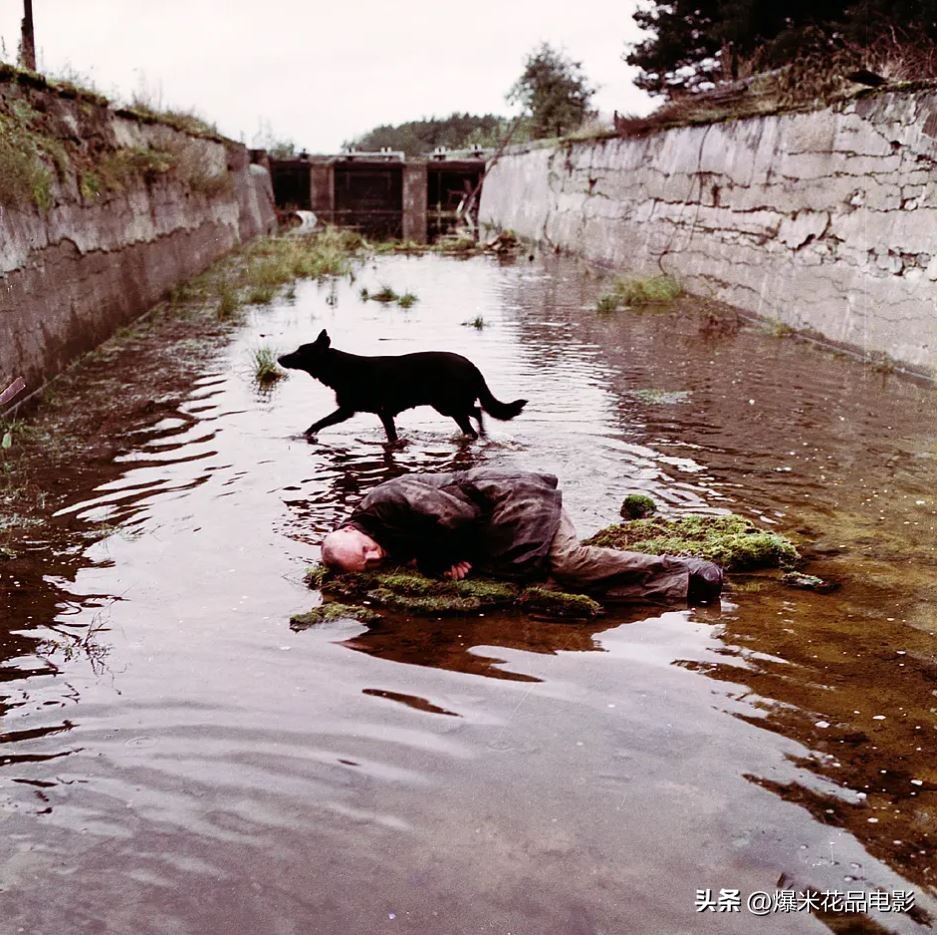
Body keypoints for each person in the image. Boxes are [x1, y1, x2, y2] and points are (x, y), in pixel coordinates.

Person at [320, 468, 724, 605]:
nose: (375, 559)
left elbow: (456, 517)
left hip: (517, 500)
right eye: (368, 565)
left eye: (368, 552)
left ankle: (682, 569)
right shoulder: (376, 536)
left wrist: (436, 560)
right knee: (550, 582)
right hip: (500, 524)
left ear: (348, 530)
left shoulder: (383, 501)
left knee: (565, 564)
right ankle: (683, 591)